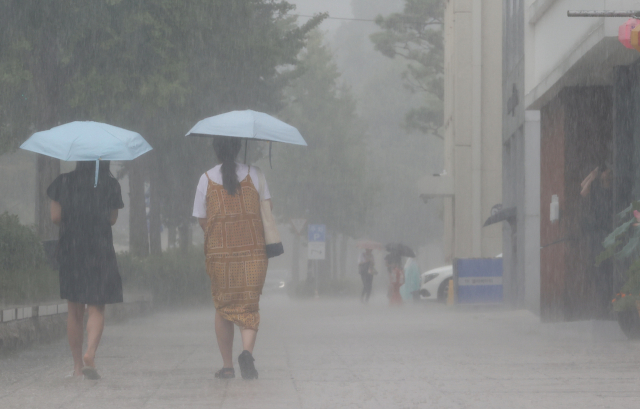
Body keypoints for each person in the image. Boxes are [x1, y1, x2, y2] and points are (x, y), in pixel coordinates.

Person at [192, 136, 271, 380]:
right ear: (238, 148)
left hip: (220, 256)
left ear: (216, 150)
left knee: (223, 307)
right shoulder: (256, 174)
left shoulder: (205, 179)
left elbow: (202, 220)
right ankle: (246, 352)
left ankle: (227, 367)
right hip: (253, 252)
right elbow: (266, 211)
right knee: (249, 305)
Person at [47, 160, 124, 380]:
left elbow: (55, 217)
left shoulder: (63, 181)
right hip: (100, 249)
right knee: (97, 306)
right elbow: (111, 219)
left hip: (72, 249)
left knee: (74, 309)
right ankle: (90, 353)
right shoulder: (110, 184)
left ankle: (77, 367)